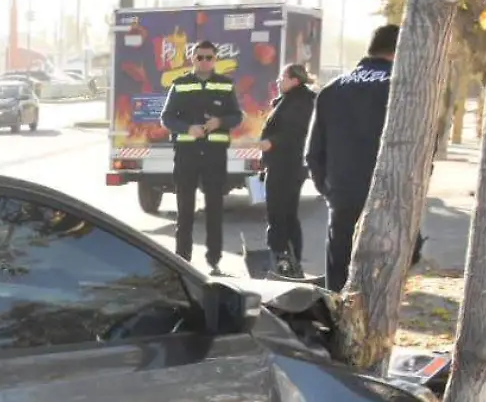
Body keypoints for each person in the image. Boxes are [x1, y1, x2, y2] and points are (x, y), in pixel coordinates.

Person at [307, 23, 398, 292]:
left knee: (340, 276)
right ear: (400, 50)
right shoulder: (403, 88)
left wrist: (330, 190)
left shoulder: (332, 89)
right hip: (389, 195)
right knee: (382, 277)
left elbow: (313, 154)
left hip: (343, 194)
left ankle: (339, 323)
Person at [158, 39, 244, 274]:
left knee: (214, 209)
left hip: (215, 156)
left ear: (215, 60)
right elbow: (166, 118)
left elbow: (237, 116)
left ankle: (214, 259)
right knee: (184, 210)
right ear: (192, 59)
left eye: (209, 57)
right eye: (199, 57)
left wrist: (220, 122)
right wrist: (187, 129)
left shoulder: (225, 85)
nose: (204, 61)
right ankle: (182, 259)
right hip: (187, 155)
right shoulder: (181, 84)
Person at [258, 63, 317, 278]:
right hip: (284, 165)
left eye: (282, 76)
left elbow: (296, 133)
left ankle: (280, 262)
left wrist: (271, 143)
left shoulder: (301, 101)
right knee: (286, 215)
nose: (278, 80)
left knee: (279, 215)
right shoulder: (290, 100)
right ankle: (289, 262)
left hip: (288, 166)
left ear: (295, 80)